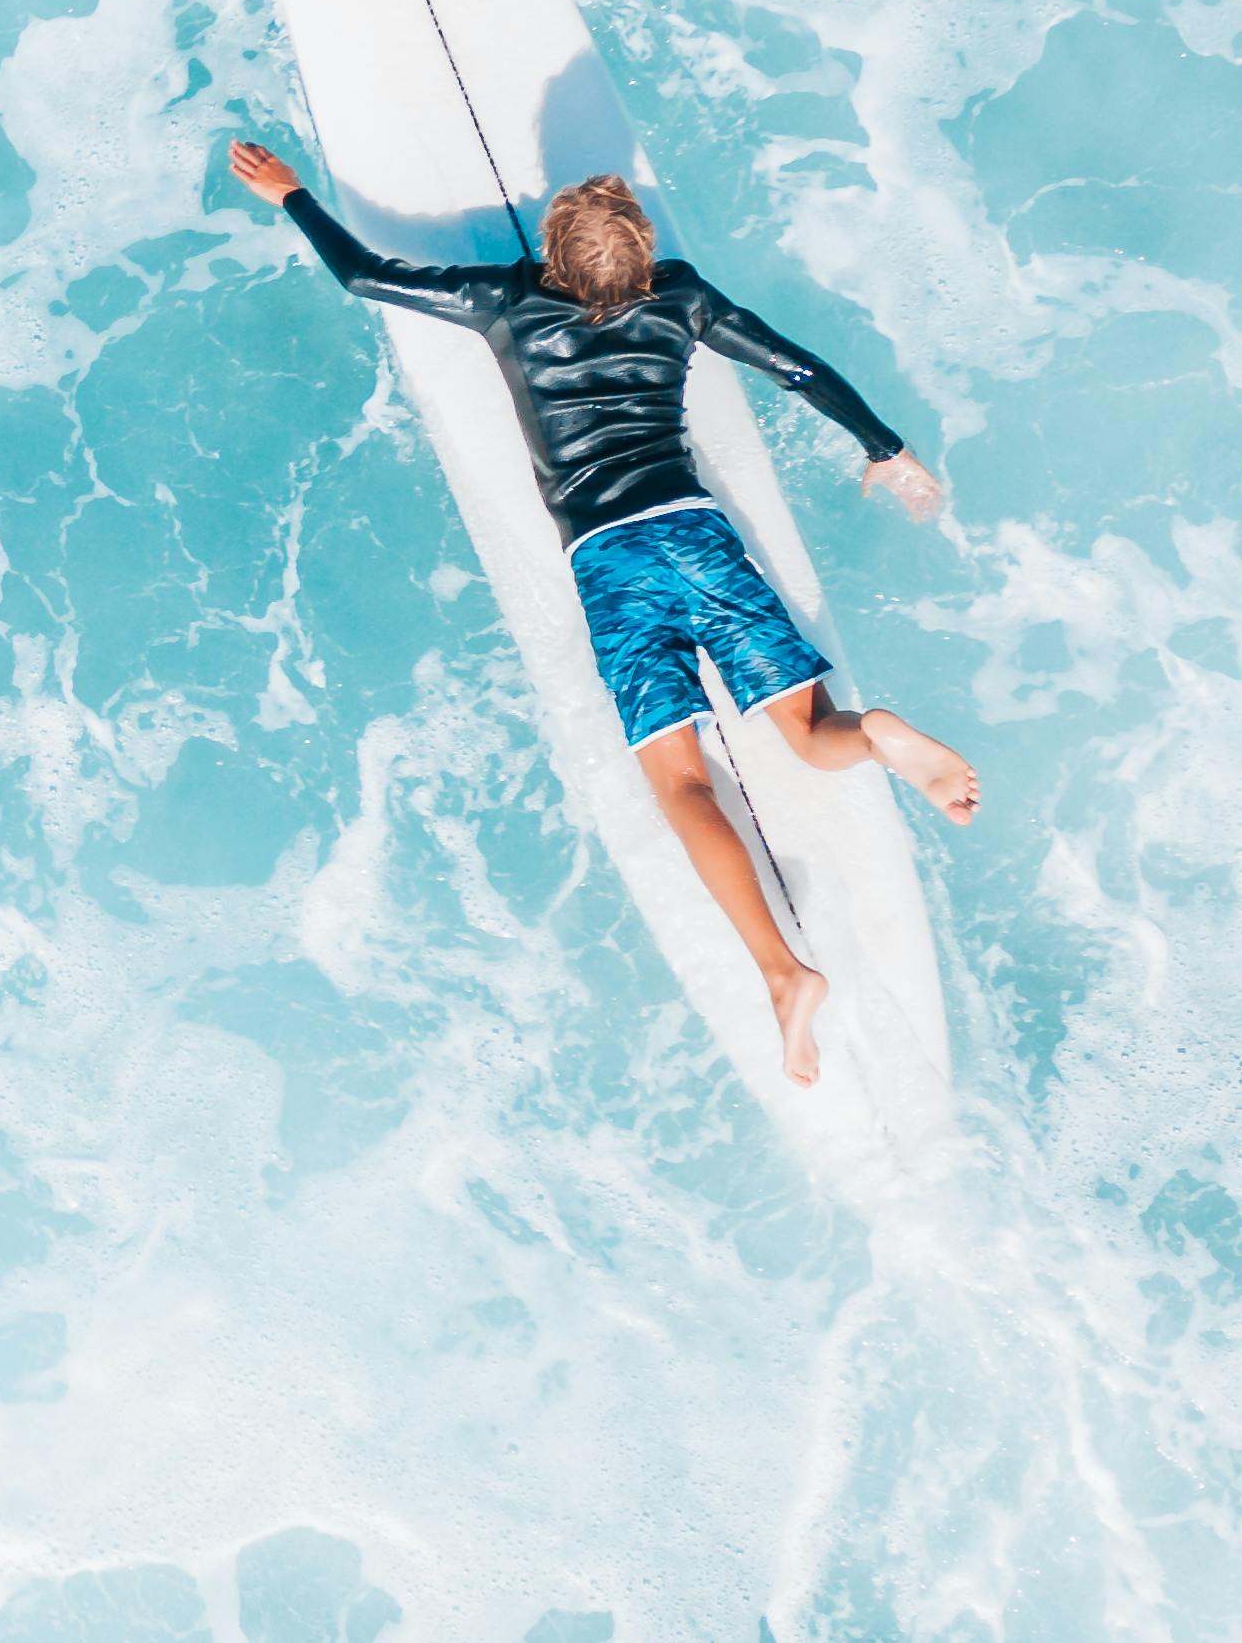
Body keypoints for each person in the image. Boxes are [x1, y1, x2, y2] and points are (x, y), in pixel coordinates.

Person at [225, 138, 977, 1086]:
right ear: (641, 262)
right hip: (696, 535)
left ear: (549, 255)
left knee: (682, 784)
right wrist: (885, 448)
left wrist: (292, 195)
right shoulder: (683, 295)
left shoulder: (505, 300)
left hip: (609, 559)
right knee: (811, 728)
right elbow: (793, 365)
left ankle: (785, 975)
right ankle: (876, 739)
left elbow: (367, 276)